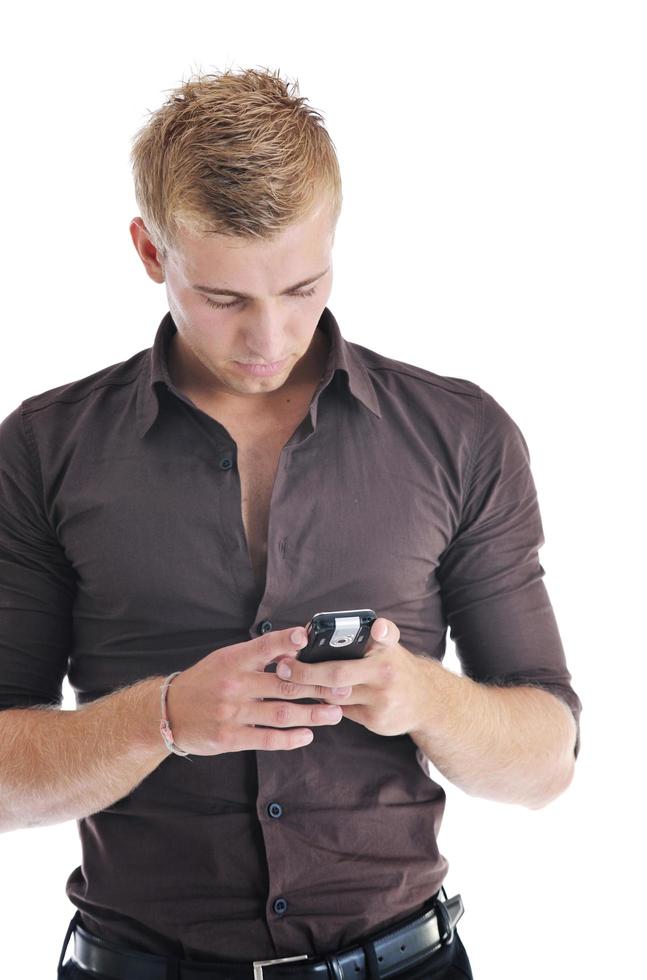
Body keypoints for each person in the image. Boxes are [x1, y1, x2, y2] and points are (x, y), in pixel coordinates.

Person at [0, 67, 582, 980]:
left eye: (303, 287)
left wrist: (421, 696)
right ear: (151, 252)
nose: (269, 338)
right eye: (225, 299)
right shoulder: (44, 447)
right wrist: (163, 718)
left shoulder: (460, 435)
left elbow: (546, 764)